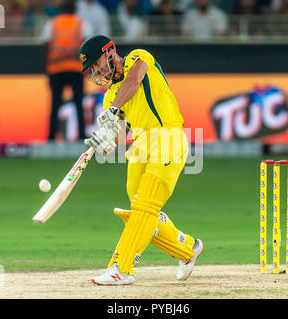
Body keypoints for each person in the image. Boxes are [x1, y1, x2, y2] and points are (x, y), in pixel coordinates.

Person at [78, 35, 204, 285]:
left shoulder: (139, 58)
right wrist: (102, 141)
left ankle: (121, 267)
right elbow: (115, 138)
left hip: (167, 136)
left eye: (96, 63)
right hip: (139, 146)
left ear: (110, 51)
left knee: (146, 206)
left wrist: (113, 109)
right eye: (91, 69)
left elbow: (134, 80)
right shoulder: (110, 96)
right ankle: (188, 249)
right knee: (141, 212)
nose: (95, 71)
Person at [41, 0, 86, 141]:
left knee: (55, 104)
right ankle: (82, 136)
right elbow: (86, 45)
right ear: (74, 9)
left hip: (56, 69)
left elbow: (45, 44)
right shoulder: (81, 24)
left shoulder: (52, 23)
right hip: (76, 69)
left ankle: (51, 137)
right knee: (79, 104)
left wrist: (46, 68)